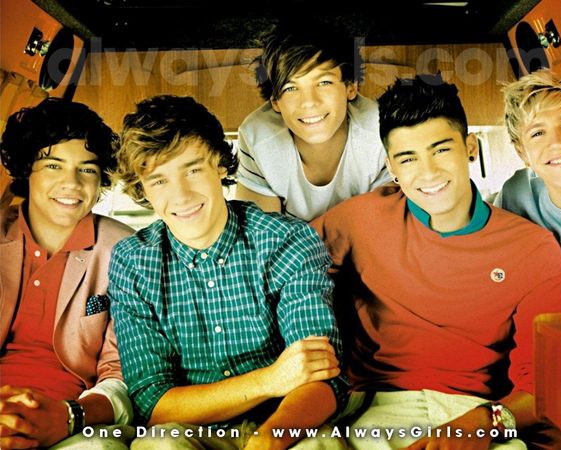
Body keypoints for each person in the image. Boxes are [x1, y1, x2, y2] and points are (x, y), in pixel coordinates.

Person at [311, 75, 561, 449]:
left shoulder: (534, 249)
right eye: (408, 158)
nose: (429, 172)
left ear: (469, 147)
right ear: (391, 167)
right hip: (367, 406)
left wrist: (483, 422)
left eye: (441, 150)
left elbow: (540, 385)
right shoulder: (357, 220)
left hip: (474, 411)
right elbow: (280, 266)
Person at [109, 95, 348, 450]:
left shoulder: (286, 240)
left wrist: (266, 441)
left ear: (220, 165)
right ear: (142, 188)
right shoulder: (132, 262)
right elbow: (153, 403)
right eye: (159, 181)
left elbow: (323, 378)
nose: (181, 196)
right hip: (191, 430)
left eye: (192, 170)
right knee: (159, 444)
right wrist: (270, 380)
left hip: (286, 424)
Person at [0, 98, 134, 449]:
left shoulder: (126, 251)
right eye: (53, 166)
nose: (72, 183)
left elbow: (122, 372)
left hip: (74, 420)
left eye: (87, 169)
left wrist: (71, 415)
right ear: (26, 170)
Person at [235, 20, 390, 221]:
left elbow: (384, 226)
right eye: (291, 88)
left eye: (324, 82)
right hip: (291, 243)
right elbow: (264, 234)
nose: (309, 102)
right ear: (275, 101)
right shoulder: (258, 138)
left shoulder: (381, 129)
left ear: (351, 87)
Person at [494, 69, 561, 311]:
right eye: (538, 133)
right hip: (548, 328)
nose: (557, 142)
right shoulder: (517, 193)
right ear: (522, 153)